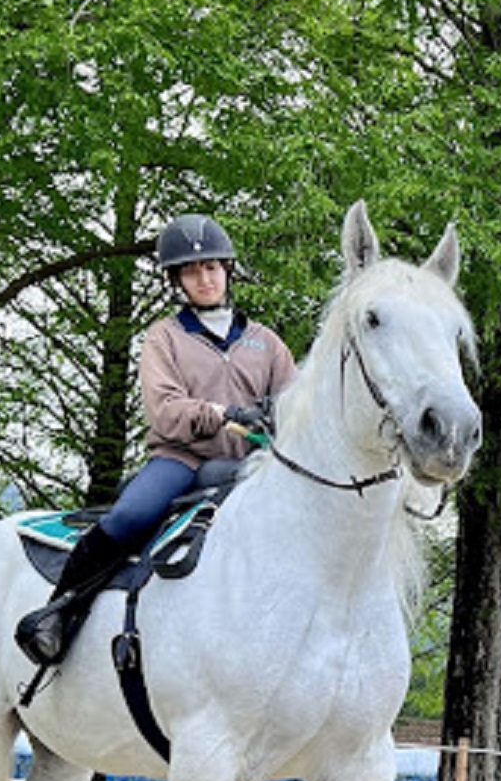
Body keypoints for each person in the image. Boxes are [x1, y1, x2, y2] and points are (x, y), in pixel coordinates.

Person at [15, 214, 298, 666]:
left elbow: (294, 404)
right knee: (130, 515)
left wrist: (280, 416)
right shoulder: (164, 337)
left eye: (211, 268)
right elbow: (165, 410)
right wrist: (219, 413)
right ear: (176, 281)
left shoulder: (266, 342)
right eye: (191, 271)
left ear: (228, 269)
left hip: (249, 463)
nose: (204, 279)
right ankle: (59, 611)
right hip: (179, 459)